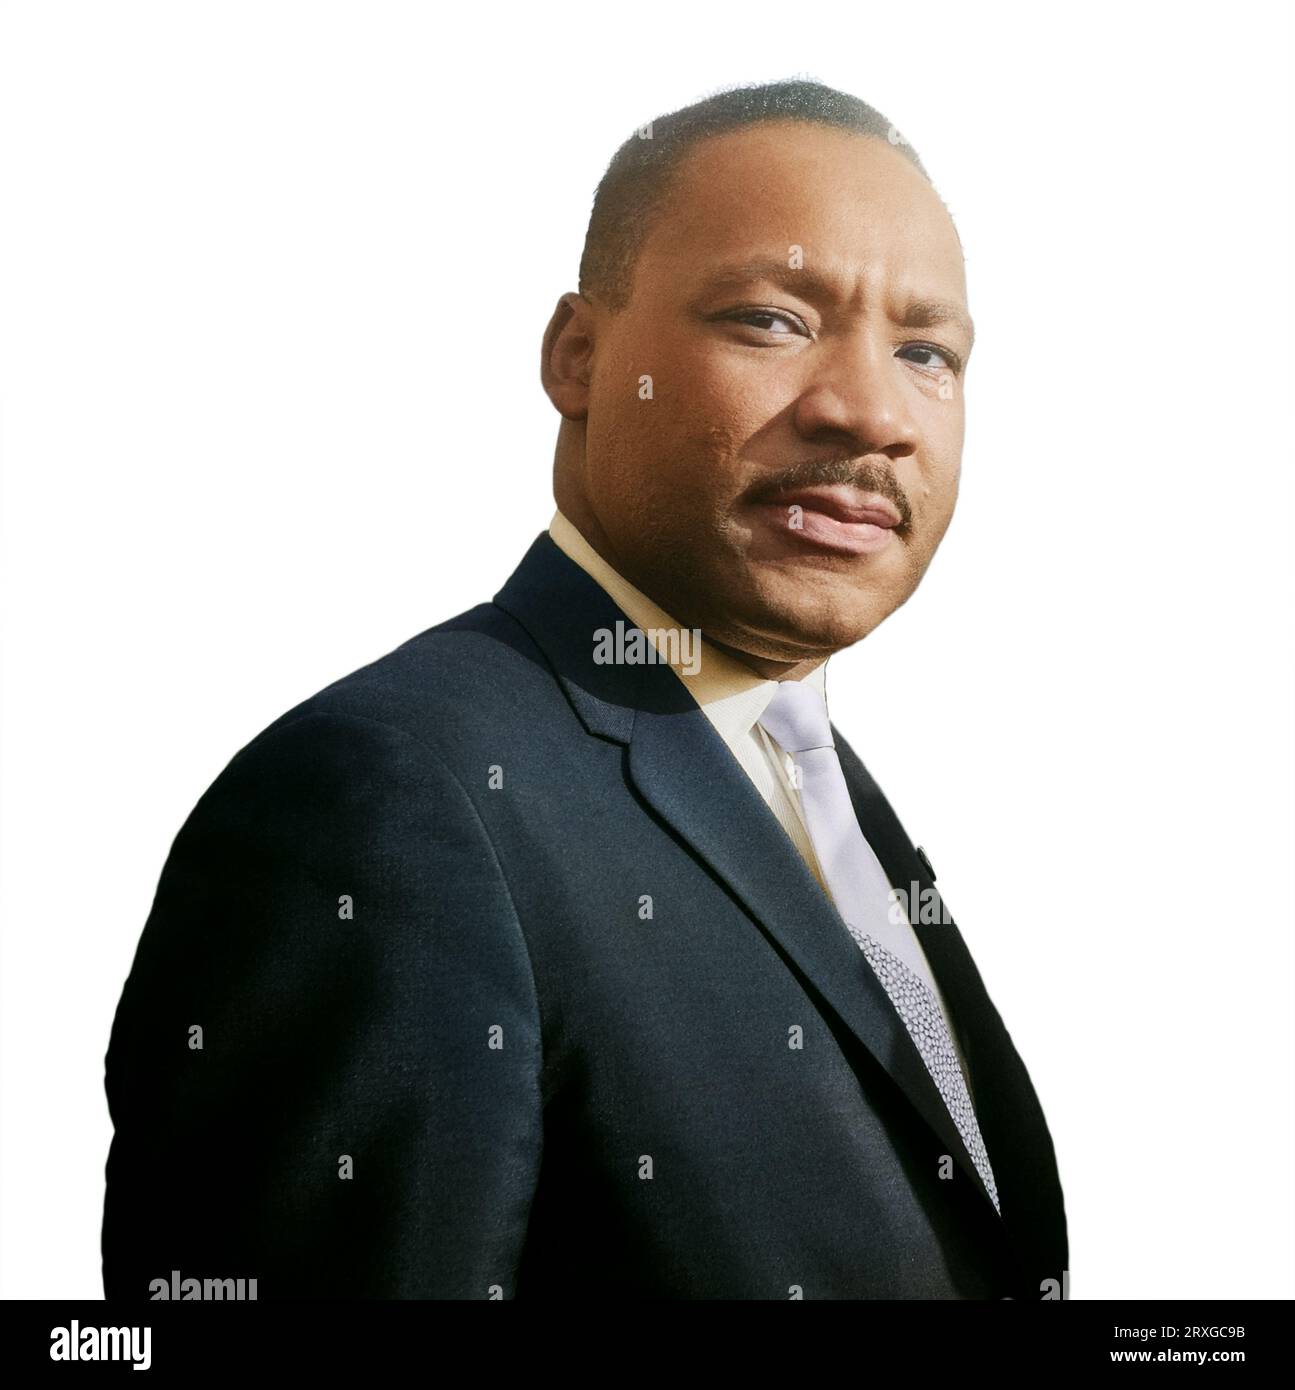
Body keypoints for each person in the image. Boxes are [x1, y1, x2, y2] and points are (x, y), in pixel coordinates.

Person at [102, 77, 1068, 1300]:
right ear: (578, 355)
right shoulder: (383, 804)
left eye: (925, 351)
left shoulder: (817, 790)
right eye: (771, 319)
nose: (869, 409)